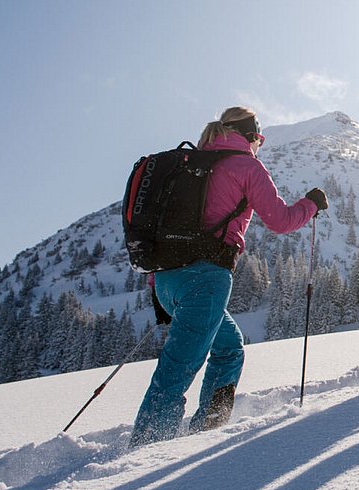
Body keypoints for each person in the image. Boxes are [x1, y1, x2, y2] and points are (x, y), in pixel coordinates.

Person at [129, 106, 328, 447]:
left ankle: (206, 428)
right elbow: (280, 221)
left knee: (229, 349)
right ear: (251, 135)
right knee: (177, 371)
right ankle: (143, 450)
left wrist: (157, 289)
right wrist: (310, 205)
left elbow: (166, 227)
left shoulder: (188, 165)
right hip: (206, 280)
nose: (259, 146)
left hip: (165, 280)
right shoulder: (245, 165)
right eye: (259, 139)